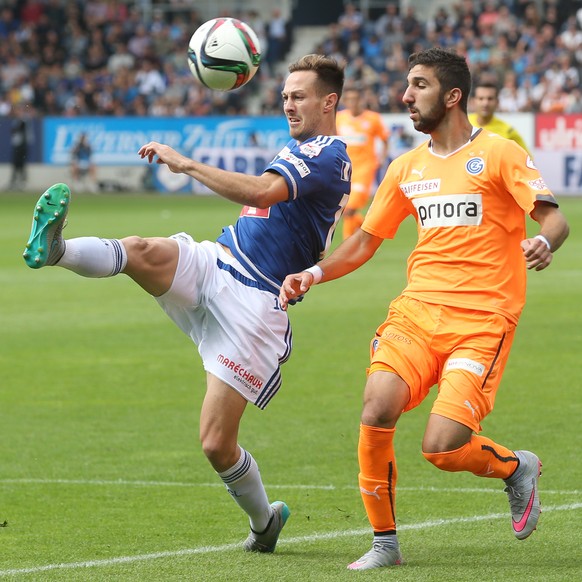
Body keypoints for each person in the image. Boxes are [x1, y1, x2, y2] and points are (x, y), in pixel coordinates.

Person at [22, 54, 350, 553]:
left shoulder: (328, 152)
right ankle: (56, 251)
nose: (287, 103)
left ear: (329, 102)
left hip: (256, 303)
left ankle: (264, 523)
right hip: (220, 259)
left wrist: (185, 163)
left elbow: (263, 189)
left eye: (298, 95)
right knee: (140, 249)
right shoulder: (303, 145)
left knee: (216, 443)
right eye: (284, 95)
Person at [280, 47, 569, 570]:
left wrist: (544, 242)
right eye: (407, 85)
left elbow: (553, 219)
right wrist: (314, 272)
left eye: (419, 85)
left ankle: (515, 468)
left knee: (442, 446)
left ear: (452, 96)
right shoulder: (406, 168)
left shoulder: (500, 154)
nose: (406, 96)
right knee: (376, 408)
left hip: (482, 321)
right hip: (417, 312)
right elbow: (366, 241)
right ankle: (384, 543)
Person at [336, 87, 390, 239]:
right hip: (345, 171)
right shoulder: (339, 118)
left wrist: (382, 158)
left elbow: (385, 139)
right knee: (345, 210)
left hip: (365, 169)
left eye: (356, 99)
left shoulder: (373, 118)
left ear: (362, 100)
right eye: (349, 99)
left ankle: (347, 245)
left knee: (350, 209)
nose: (352, 102)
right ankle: (369, 233)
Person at [469, 80, 531, 155]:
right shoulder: (463, 124)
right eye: (481, 98)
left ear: (497, 102)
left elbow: (528, 161)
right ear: (473, 101)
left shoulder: (508, 131)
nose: (485, 103)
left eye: (490, 99)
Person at [8, 103, 30, 191]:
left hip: (22, 145)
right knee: (16, 164)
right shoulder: (17, 120)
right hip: (17, 145)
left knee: (20, 163)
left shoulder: (23, 120)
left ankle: (21, 182)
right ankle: (15, 182)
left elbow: (17, 129)